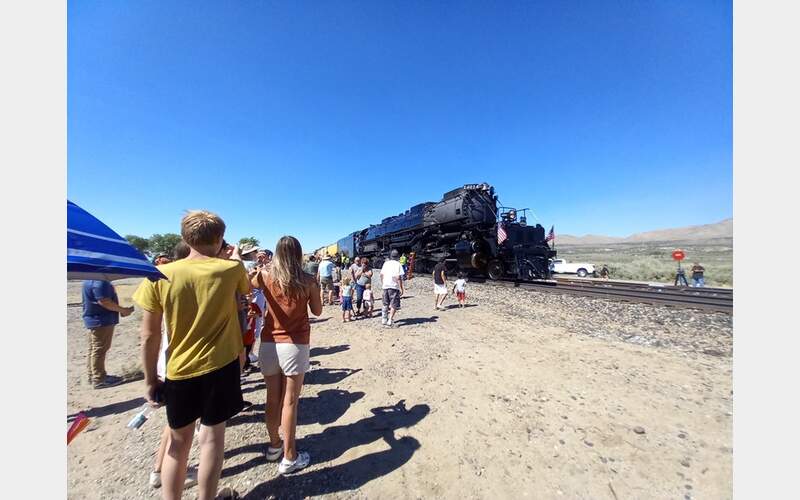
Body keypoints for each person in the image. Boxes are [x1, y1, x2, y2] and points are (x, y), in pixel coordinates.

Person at [133, 210, 250, 500]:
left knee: (177, 444)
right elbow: (244, 289)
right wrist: (233, 257)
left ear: (184, 238)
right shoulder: (231, 270)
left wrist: (150, 379)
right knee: (211, 439)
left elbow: (149, 335)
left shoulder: (158, 275)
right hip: (220, 366)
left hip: (179, 368)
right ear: (221, 238)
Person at [252, 236, 322, 475]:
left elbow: (246, 284)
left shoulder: (265, 276)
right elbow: (318, 310)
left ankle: (274, 446)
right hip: (294, 343)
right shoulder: (308, 280)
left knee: (272, 398)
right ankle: (290, 457)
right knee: (290, 401)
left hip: (270, 342)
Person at [149, 240, 198, 491]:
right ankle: (167, 475)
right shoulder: (189, 282)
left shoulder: (163, 281)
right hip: (183, 364)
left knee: (174, 426)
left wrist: (150, 377)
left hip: (169, 361)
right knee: (179, 432)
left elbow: (149, 333)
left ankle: (159, 470)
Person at [82, 279, 135, 389]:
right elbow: (104, 301)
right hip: (102, 320)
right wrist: (123, 310)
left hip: (95, 319)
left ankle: (93, 375)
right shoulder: (100, 282)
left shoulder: (89, 280)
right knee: (99, 349)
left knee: (94, 349)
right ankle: (99, 379)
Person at [380, 250, 405, 328]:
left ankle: (384, 319)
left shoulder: (386, 263)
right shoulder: (398, 264)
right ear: (397, 257)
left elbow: (381, 275)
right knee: (394, 304)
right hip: (393, 286)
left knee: (385, 303)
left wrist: (383, 283)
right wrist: (401, 288)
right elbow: (398, 277)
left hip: (385, 286)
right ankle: (390, 320)